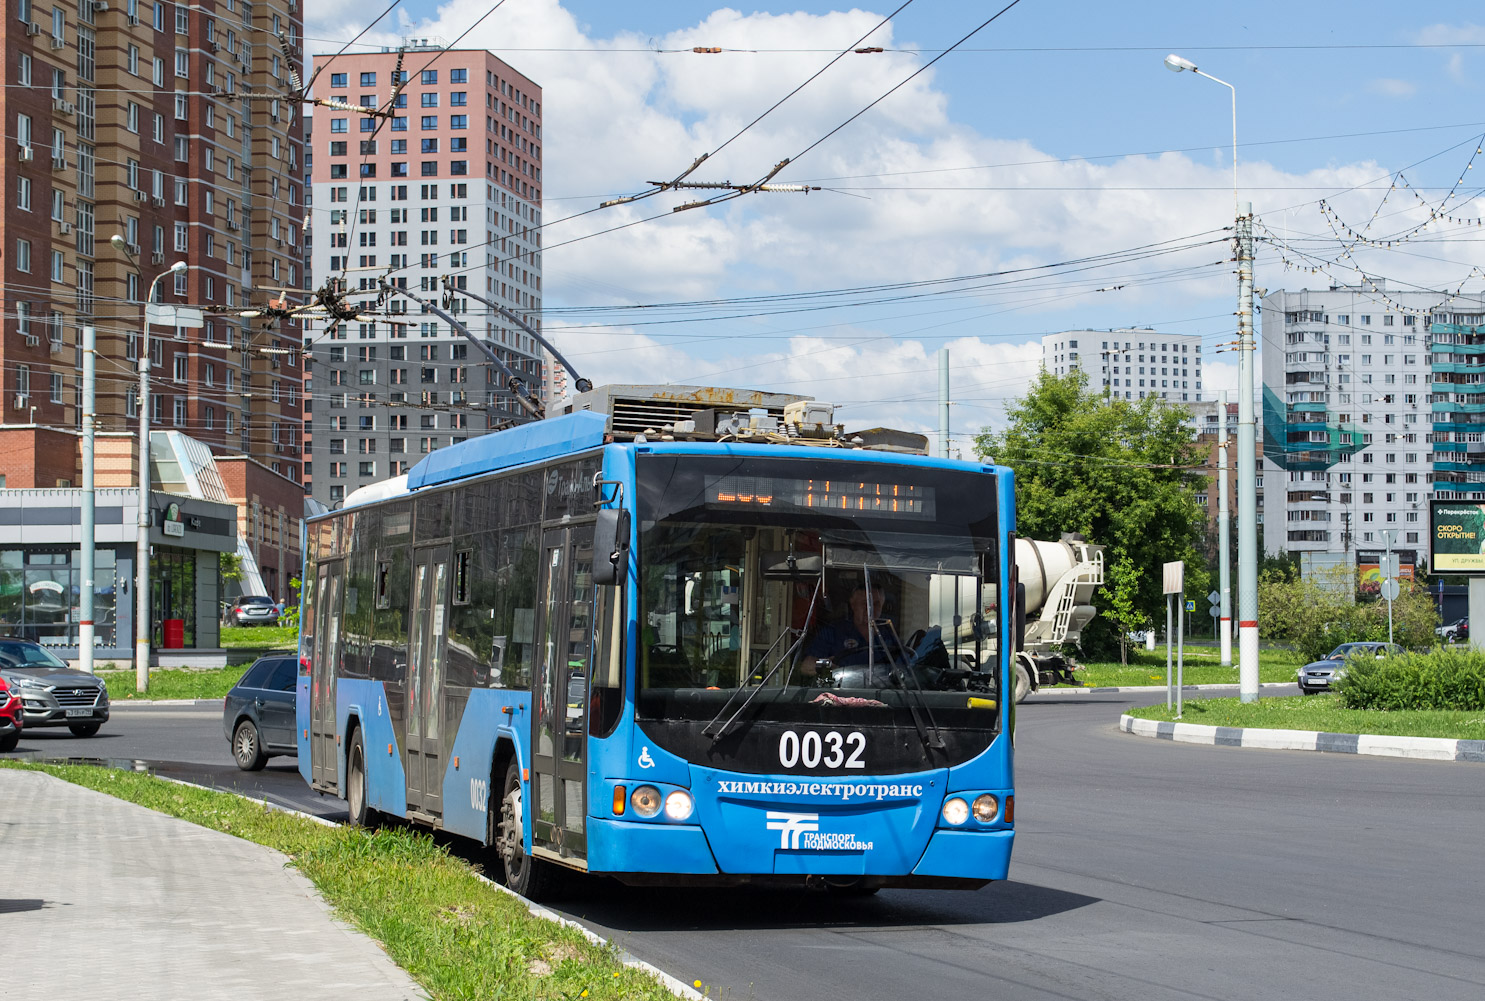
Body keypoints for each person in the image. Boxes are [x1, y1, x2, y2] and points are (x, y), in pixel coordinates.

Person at [802, 586, 901, 682]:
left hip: (880, 692)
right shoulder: (834, 632)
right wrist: (829, 665)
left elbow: (905, 668)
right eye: (864, 603)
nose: (870, 609)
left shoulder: (889, 636)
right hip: (842, 693)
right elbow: (806, 666)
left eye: (876, 604)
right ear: (853, 605)